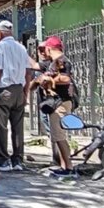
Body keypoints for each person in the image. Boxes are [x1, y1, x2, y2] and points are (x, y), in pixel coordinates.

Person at [0, 19, 33, 171]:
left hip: (4, 90)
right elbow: (28, 72)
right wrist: (26, 92)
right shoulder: (21, 47)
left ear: (0, 33)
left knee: (0, 126)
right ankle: (18, 160)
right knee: (17, 127)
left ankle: (2, 160)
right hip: (19, 90)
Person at [33, 35, 77, 178]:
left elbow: (65, 78)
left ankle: (68, 168)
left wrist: (49, 79)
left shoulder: (61, 61)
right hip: (57, 104)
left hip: (60, 104)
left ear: (49, 48)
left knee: (59, 136)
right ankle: (64, 166)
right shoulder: (55, 62)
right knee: (57, 136)